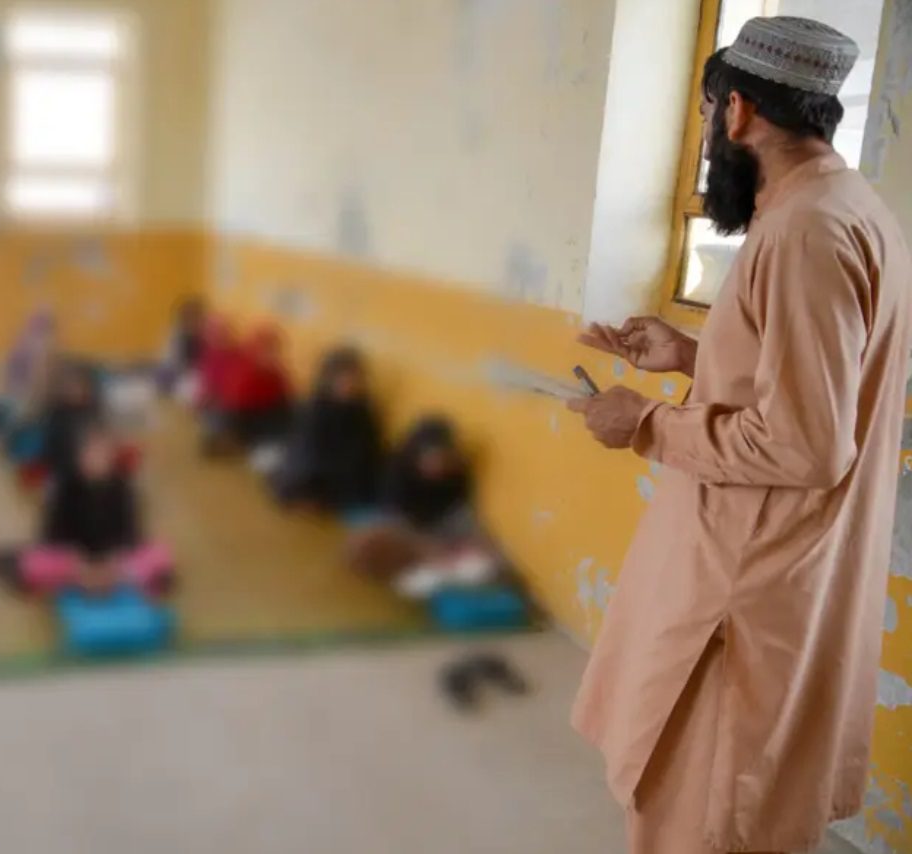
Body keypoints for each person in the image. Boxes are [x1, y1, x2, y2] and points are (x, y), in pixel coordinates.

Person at [567, 18, 912, 854]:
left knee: (700, 817)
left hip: (742, 600)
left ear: (737, 113)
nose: (705, 140)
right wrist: (690, 354)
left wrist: (643, 423)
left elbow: (804, 444)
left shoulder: (803, 234)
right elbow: (814, 389)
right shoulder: (847, 208)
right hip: (781, 578)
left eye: (706, 114)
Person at [0, 423, 172, 597]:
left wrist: (112, 562)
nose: (97, 460)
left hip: (113, 562)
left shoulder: (124, 488)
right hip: (74, 561)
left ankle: (110, 579)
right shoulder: (64, 487)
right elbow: (52, 533)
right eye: (90, 454)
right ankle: (88, 579)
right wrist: (79, 564)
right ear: (79, 457)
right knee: (34, 563)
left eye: (103, 455)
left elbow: (131, 532)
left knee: (160, 554)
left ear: (111, 457)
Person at [346, 416, 499, 597]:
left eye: (442, 459)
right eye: (430, 459)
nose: (436, 466)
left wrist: (470, 544)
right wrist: (428, 549)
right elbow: (396, 518)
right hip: (405, 526)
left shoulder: (456, 473)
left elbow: (460, 511)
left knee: (479, 560)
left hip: (438, 526)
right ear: (417, 455)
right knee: (371, 547)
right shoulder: (398, 470)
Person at [274, 346, 383, 511]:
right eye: (342, 379)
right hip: (321, 469)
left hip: (348, 470)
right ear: (329, 379)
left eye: (354, 379)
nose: (349, 385)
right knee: (304, 479)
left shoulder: (362, 409)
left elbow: (370, 445)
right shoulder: (314, 407)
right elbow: (308, 450)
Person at [201, 325, 293, 460]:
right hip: (251, 422)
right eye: (268, 351)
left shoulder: (275, 374)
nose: (273, 356)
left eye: (274, 350)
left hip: (262, 421)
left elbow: (285, 402)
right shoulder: (244, 371)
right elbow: (235, 405)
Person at [37, 358, 104, 482]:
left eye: (79, 386)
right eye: (71, 385)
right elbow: (51, 448)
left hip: (89, 471)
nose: (74, 390)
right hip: (63, 470)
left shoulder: (92, 412)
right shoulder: (57, 414)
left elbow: (100, 443)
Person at [157, 296, 205, 394]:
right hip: (180, 382)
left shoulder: (205, 338)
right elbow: (170, 363)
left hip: (196, 383)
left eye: (195, 316)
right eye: (188, 316)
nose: (192, 321)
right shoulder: (176, 337)